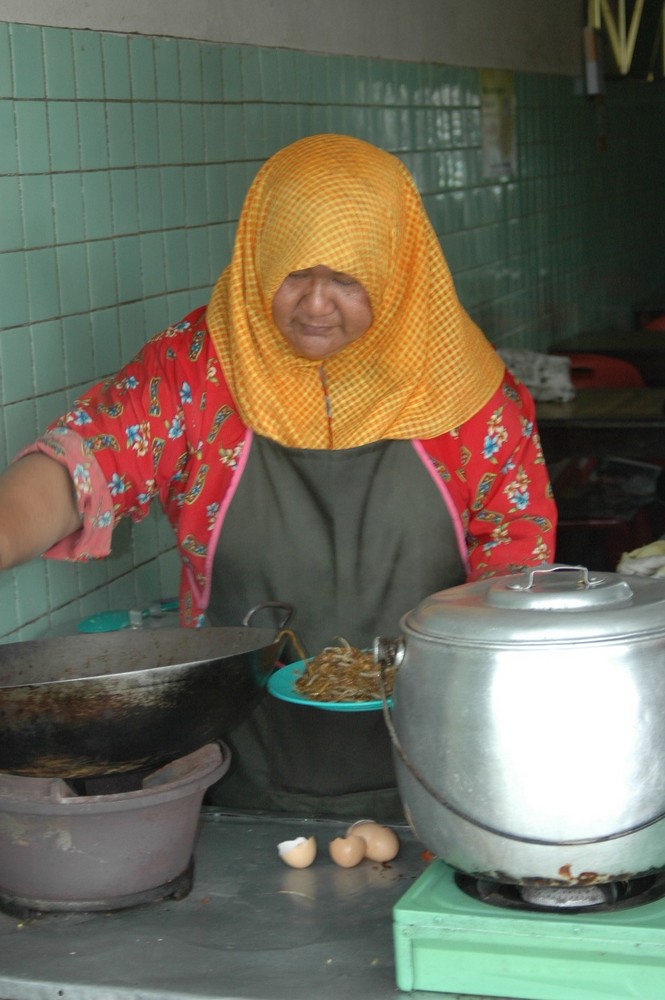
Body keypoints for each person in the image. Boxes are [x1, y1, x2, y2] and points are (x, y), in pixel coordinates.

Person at [0, 134, 557, 820]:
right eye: (293, 274)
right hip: (237, 770)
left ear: (397, 268)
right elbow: (81, 463)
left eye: (348, 279)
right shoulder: (198, 371)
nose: (315, 306)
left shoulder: (469, 399)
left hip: (438, 777)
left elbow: (517, 574)